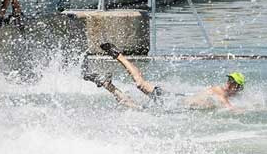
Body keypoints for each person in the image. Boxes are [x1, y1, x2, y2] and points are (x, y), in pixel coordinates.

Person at [84, 43, 246, 111]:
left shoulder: (221, 92)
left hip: (173, 104)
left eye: (232, 82)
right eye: (230, 81)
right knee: (139, 89)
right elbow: (228, 108)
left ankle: (106, 82)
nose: (228, 84)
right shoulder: (220, 91)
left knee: (134, 103)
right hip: (171, 101)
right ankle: (117, 58)